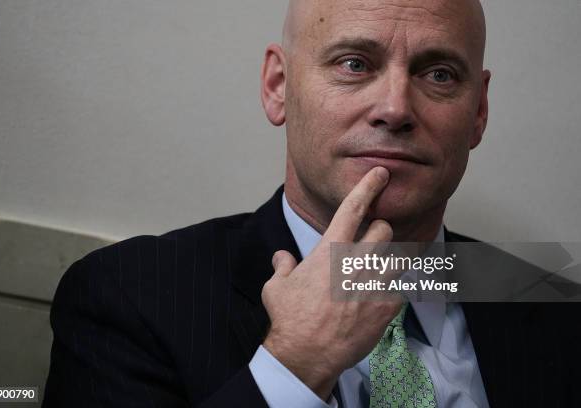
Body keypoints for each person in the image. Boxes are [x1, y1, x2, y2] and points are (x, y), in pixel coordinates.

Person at [43, 0, 581, 407]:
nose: (395, 108)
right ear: (279, 86)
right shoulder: (128, 297)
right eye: (354, 64)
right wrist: (294, 367)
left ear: (479, 111)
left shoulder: (556, 304)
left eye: (438, 74)